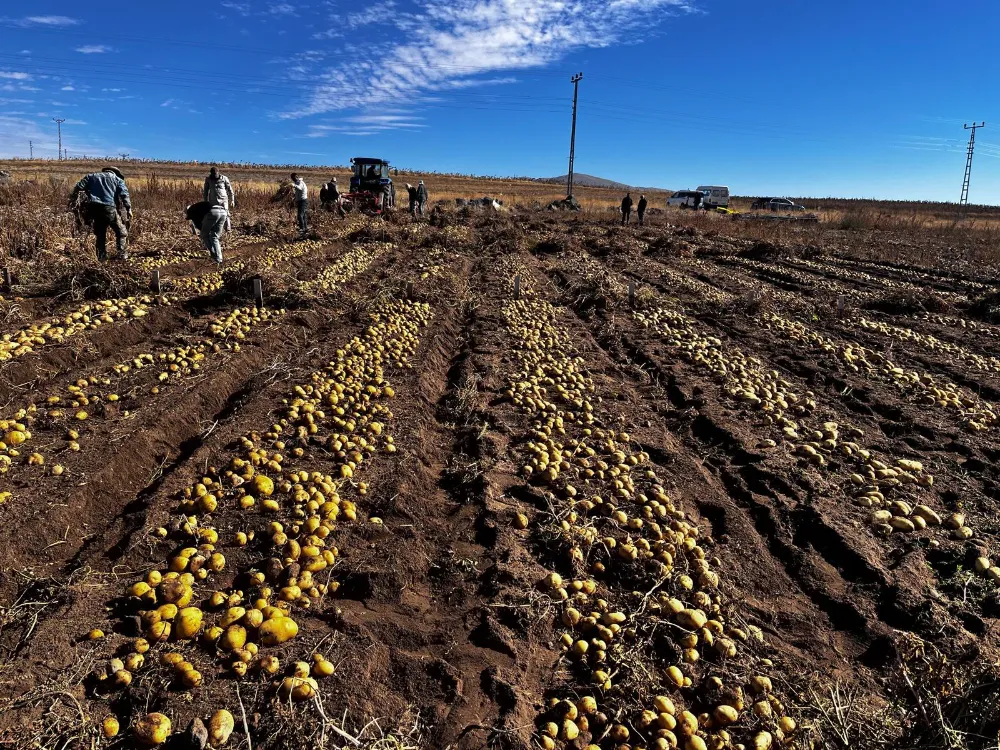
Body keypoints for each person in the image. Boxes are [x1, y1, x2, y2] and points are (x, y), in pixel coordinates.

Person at [70, 167, 131, 261]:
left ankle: (101, 258)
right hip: (109, 208)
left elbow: (78, 187)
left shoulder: (91, 176)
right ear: (115, 173)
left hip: (93, 208)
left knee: (100, 234)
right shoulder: (117, 179)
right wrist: (128, 209)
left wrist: (74, 202)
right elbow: (124, 194)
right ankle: (122, 255)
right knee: (121, 232)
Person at [185, 201, 227, 265]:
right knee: (214, 236)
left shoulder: (191, 211)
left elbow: (198, 225)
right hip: (223, 211)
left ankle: (213, 255)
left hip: (213, 212)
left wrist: (201, 232)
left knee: (204, 235)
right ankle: (219, 259)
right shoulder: (197, 206)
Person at [203, 167, 235, 231]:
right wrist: (205, 201)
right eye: (213, 174)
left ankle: (228, 230)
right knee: (214, 215)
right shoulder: (208, 179)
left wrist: (232, 200)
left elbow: (230, 190)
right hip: (213, 200)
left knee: (226, 214)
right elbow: (205, 191)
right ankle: (215, 230)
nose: (215, 176)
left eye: (216, 174)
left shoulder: (224, 178)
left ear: (218, 173)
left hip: (223, 200)